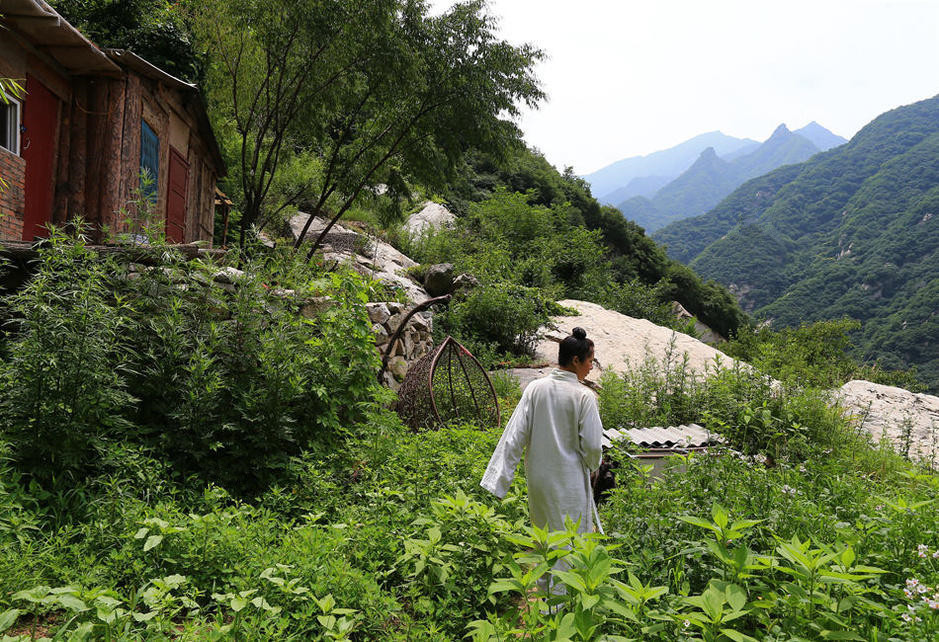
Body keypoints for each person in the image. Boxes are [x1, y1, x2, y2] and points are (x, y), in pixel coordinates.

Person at [480, 327, 604, 536]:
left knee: (545, 535)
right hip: (569, 479)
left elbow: (514, 435)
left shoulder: (535, 388)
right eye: (590, 361)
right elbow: (592, 445)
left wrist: (499, 481)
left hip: (540, 481)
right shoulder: (584, 396)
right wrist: (593, 465)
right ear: (576, 360)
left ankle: (546, 569)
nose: (591, 367)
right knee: (570, 539)